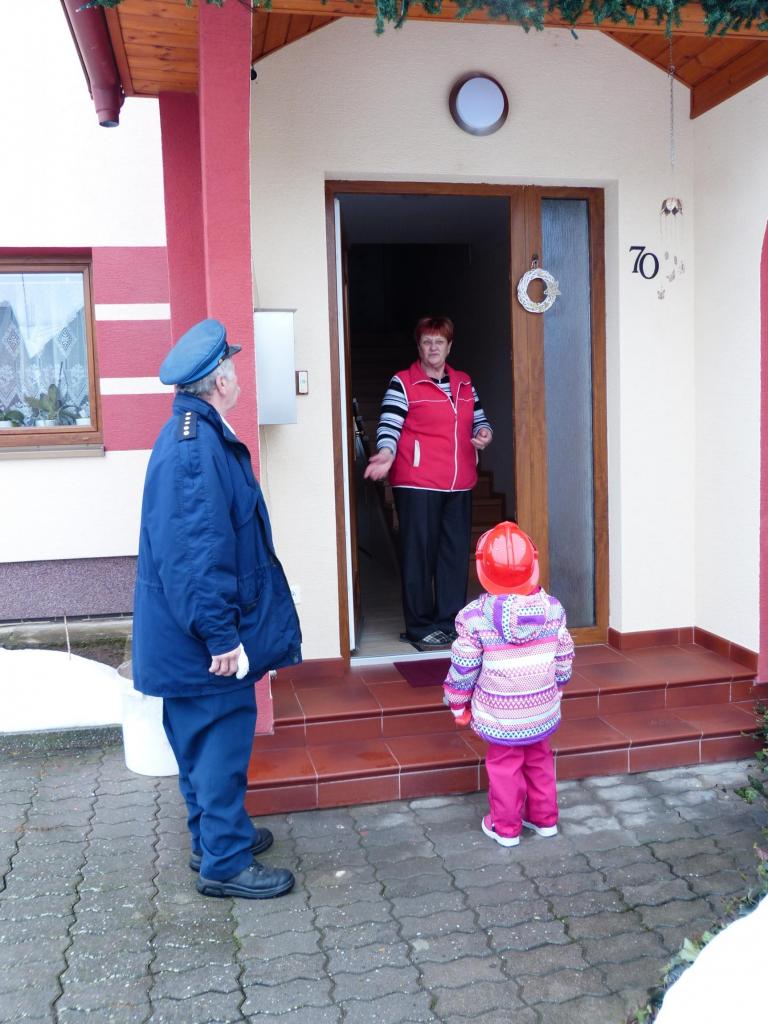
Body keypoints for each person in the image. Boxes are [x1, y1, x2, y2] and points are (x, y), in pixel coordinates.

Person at [132, 318, 301, 899]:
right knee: (218, 743)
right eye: (232, 366)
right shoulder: (193, 448)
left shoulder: (194, 433)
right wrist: (222, 636)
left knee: (202, 743)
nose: (237, 375)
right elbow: (196, 557)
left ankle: (213, 840)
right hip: (202, 643)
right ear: (221, 381)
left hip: (188, 640)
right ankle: (225, 863)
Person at [364, 316, 493, 649]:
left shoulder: (464, 383)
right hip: (417, 482)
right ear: (419, 347)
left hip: (459, 483)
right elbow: (389, 424)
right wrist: (386, 452)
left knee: (453, 555)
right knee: (419, 555)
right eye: (427, 342)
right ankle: (419, 626)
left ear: (449, 347)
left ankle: (450, 621)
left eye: (439, 342)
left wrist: (483, 433)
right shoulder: (404, 382)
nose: (433, 348)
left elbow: (479, 419)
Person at [443, 522, 574, 847]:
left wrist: (457, 703)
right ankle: (545, 820)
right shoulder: (553, 609)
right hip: (541, 707)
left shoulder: (475, 617)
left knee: (504, 767)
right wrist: (559, 684)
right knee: (540, 759)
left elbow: (463, 666)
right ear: (533, 565)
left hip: (501, 713)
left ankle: (506, 828)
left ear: (483, 570)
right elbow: (564, 654)